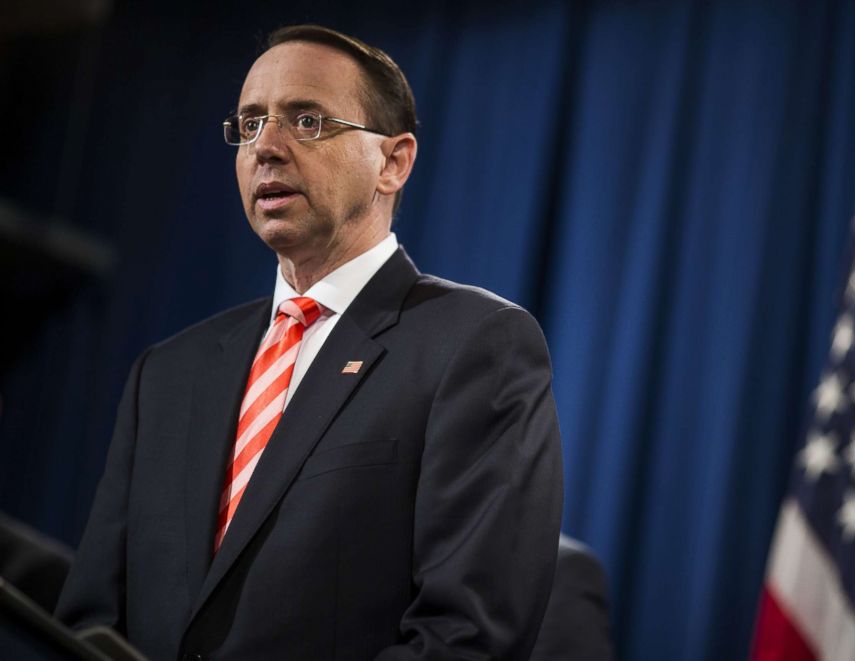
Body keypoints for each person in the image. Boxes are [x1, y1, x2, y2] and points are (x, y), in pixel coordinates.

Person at [55, 25, 563, 661]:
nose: (265, 146)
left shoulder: (474, 346)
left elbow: (467, 636)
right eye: (248, 123)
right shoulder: (167, 373)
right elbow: (87, 623)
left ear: (393, 162)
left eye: (308, 121)